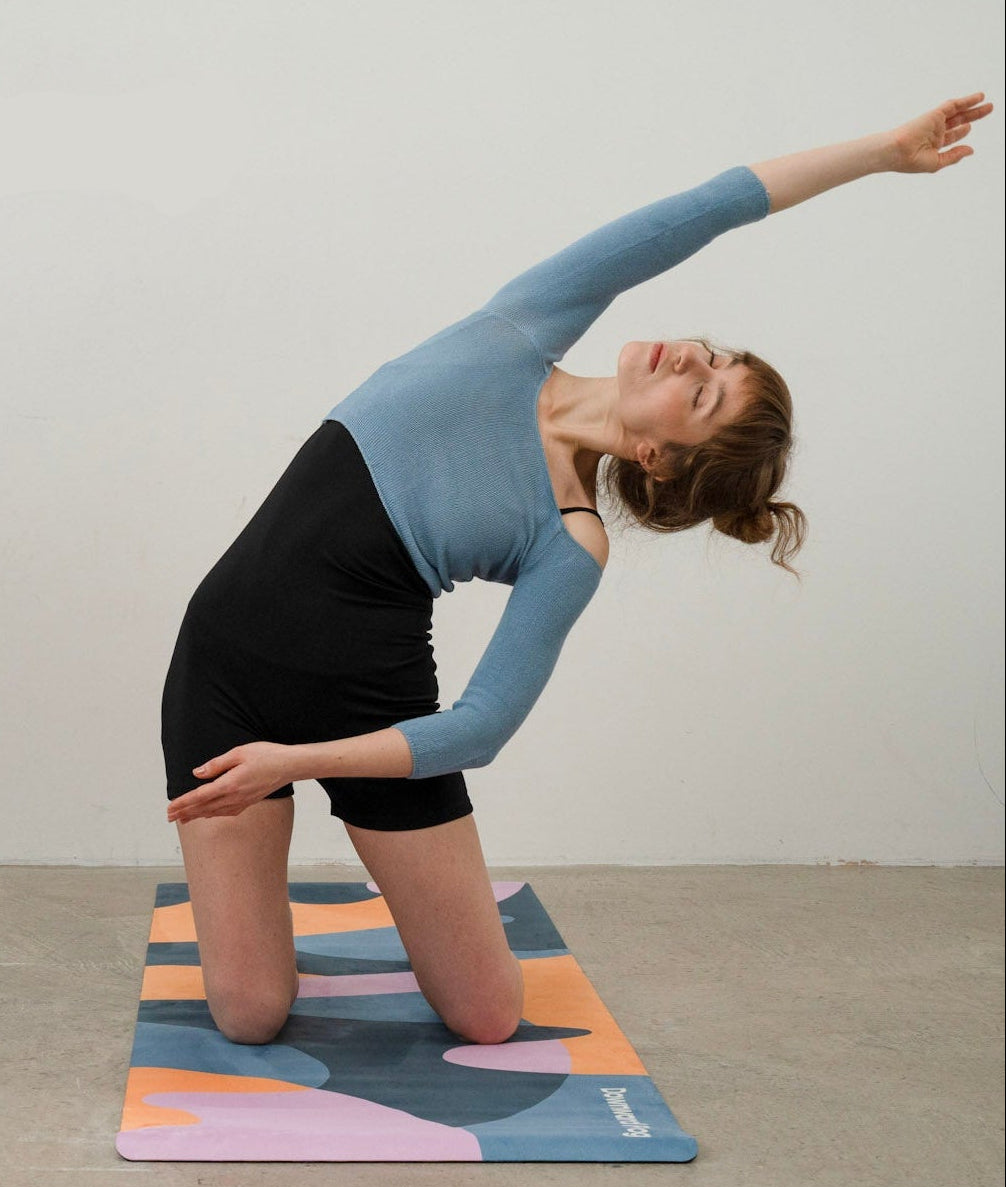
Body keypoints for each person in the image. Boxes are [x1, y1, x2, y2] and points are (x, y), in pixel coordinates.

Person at [161, 93, 992, 1047]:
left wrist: (300, 764)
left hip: (372, 711)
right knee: (252, 1014)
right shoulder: (519, 331)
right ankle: (258, 918)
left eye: (704, 389)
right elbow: (711, 207)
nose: (689, 355)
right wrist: (882, 152)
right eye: (713, 355)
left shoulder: (570, 538)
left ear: (664, 460)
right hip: (225, 669)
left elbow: (482, 727)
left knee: (488, 1016)